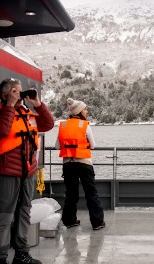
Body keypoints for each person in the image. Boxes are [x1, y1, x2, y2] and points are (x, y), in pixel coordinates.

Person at [0, 78, 54, 264]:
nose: (20, 94)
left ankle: (21, 254)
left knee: (24, 214)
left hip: (28, 173)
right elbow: (2, 131)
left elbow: (47, 125)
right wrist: (9, 105)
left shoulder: (27, 113)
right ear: (5, 94)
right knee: (5, 218)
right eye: (15, 91)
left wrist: (38, 105)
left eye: (20, 91)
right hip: (6, 173)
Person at [55, 98, 105, 231]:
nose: (86, 111)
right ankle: (97, 222)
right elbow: (93, 146)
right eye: (85, 109)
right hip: (84, 164)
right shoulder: (85, 125)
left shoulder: (63, 125)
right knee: (91, 193)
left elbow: (56, 147)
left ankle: (69, 221)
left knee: (71, 193)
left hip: (68, 164)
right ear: (79, 112)